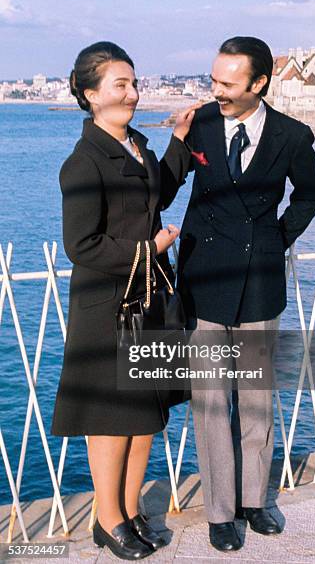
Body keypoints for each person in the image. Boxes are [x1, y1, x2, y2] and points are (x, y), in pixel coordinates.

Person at [163, 36, 315, 552]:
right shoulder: (201, 124)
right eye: (214, 80)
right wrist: (175, 142)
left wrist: (279, 236)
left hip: (258, 283)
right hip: (204, 280)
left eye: (228, 83)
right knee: (211, 404)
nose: (217, 91)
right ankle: (220, 512)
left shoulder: (293, 136)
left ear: (259, 83)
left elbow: (310, 194)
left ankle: (255, 500)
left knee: (255, 401)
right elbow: (164, 191)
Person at [51, 41, 197, 560]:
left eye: (134, 83)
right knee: (111, 420)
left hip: (150, 300)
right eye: (121, 84)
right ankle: (107, 520)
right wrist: (147, 248)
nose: (133, 92)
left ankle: (130, 510)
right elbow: (80, 245)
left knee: (145, 414)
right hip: (108, 307)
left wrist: (178, 139)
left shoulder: (134, 142)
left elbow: (157, 190)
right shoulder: (83, 161)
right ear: (91, 95)